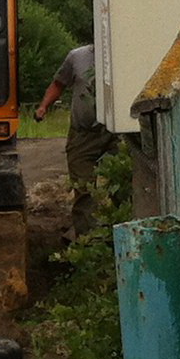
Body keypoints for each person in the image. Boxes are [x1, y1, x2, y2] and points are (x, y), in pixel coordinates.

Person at [36, 43, 115, 231]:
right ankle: (86, 240)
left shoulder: (123, 54)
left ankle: (117, 236)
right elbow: (58, 83)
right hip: (83, 133)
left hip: (115, 133)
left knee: (122, 186)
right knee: (83, 189)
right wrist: (43, 107)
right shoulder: (77, 56)